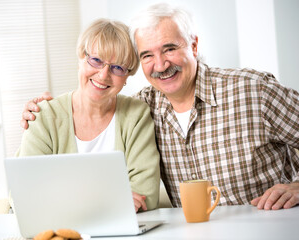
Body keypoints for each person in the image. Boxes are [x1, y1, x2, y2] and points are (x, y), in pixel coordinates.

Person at [21, 3, 299, 210]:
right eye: (147, 55)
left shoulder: (252, 91)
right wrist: (39, 111)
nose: (161, 64)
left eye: (169, 48)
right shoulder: (144, 108)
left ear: (194, 44)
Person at [16, 18, 160, 212]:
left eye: (117, 67)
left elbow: (146, 194)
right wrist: (115, 200)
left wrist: (62, 199)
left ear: (127, 76)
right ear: (80, 59)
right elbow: (25, 194)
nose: (103, 75)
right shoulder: (44, 116)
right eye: (96, 60)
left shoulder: (136, 115)